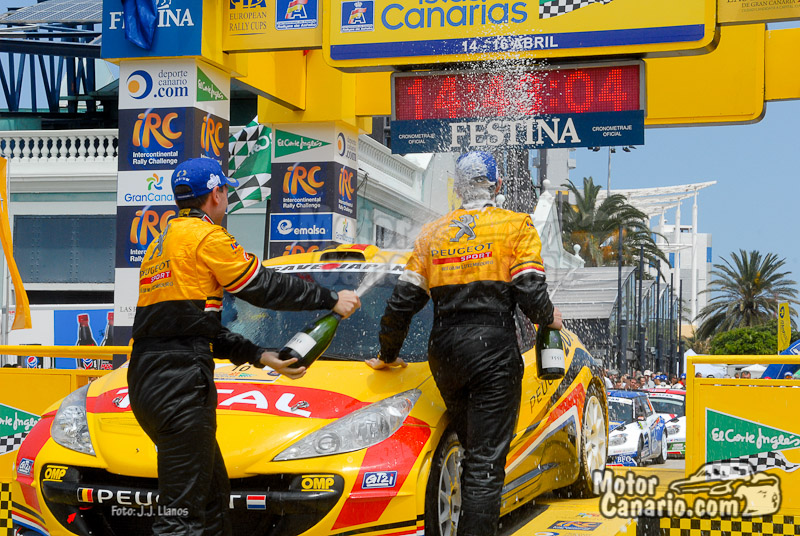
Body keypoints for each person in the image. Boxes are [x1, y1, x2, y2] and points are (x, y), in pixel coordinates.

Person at [127, 158, 361, 536]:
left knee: (211, 498)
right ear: (216, 194)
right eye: (226, 191)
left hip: (148, 377)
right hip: (179, 382)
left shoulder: (162, 243)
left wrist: (260, 355)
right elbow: (263, 287)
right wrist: (330, 298)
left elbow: (193, 329)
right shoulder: (207, 237)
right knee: (180, 516)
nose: (227, 199)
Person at [366, 151, 562, 536]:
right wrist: (548, 316)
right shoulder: (515, 226)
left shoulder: (433, 233)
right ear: (498, 185)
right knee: (486, 464)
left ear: (458, 189)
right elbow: (529, 290)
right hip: (492, 353)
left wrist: (387, 354)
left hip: (445, 355)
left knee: (473, 453)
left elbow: (402, 303)